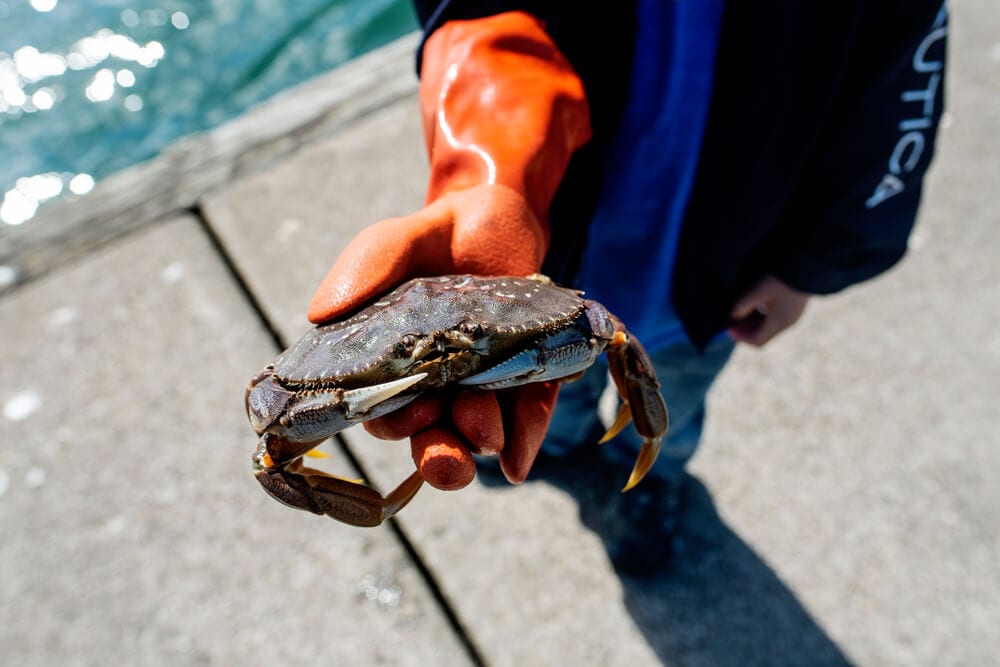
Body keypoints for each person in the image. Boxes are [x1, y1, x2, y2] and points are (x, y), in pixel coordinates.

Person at [308, 1, 948, 574]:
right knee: (555, 393)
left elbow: (898, 83)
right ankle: (559, 447)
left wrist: (812, 262)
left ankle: (651, 480)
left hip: (722, 272)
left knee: (668, 389)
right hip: (549, 242)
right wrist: (491, 161)